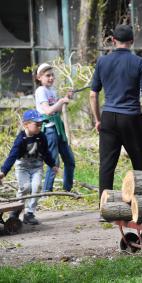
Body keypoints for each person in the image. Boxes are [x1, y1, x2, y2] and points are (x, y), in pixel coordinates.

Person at [89, 24, 142, 205]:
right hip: (131, 118)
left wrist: (97, 119)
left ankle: (104, 208)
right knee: (140, 164)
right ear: (132, 41)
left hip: (109, 117)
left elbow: (93, 94)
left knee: (106, 165)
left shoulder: (102, 62)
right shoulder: (140, 63)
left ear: (113, 41)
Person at [0, 110, 58, 225]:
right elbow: (12, 155)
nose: (39, 127)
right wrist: (3, 171)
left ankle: (29, 213)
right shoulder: (21, 139)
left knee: (36, 187)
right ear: (26, 124)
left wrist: (52, 165)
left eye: (41, 125)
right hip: (23, 167)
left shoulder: (42, 137)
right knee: (25, 188)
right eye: (37, 125)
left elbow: (46, 153)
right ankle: (15, 211)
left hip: (37, 166)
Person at [34, 63, 75, 193]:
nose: (51, 78)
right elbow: (47, 111)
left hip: (58, 128)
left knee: (70, 160)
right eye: (48, 76)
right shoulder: (40, 91)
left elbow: (57, 108)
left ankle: (67, 190)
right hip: (49, 130)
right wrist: (61, 101)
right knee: (54, 162)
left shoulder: (52, 90)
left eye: (52, 75)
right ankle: (47, 192)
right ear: (39, 77)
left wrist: (66, 97)